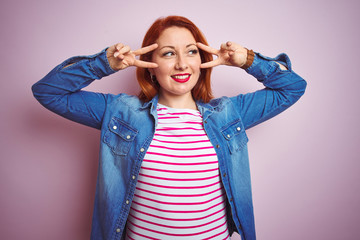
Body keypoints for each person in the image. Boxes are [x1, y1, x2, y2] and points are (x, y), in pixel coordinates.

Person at [32, 15, 306, 240]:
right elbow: (48, 92)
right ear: (151, 67)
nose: (181, 63)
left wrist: (247, 59)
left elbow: (293, 88)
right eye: (168, 54)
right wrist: (103, 63)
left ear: (201, 60)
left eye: (191, 52)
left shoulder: (229, 114)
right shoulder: (121, 113)